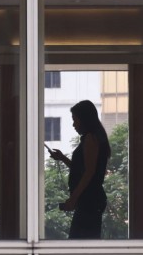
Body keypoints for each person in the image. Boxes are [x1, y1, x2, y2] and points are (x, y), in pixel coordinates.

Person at [48, 100, 111, 239]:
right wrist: (63, 158)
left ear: (84, 119)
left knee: (79, 243)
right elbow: (83, 170)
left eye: (75, 120)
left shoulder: (90, 139)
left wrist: (73, 198)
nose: (74, 124)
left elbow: (89, 173)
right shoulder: (94, 137)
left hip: (89, 201)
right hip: (91, 200)